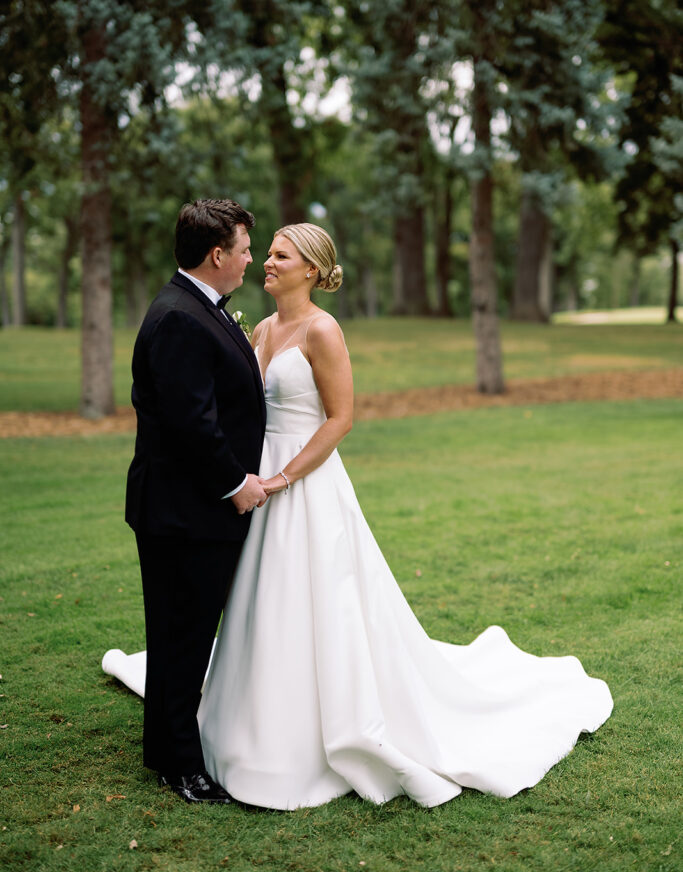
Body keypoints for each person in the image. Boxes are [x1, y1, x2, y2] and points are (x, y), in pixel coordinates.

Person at [106, 222, 613, 809]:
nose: (265, 262)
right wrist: (242, 476)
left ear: (312, 271)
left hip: (298, 482)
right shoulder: (260, 327)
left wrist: (283, 477)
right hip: (248, 486)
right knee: (258, 603)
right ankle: (248, 718)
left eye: (278, 255)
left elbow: (340, 419)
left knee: (317, 600)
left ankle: (314, 728)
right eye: (261, 252)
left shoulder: (323, 331)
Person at [120, 198, 267, 805]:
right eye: (245, 249)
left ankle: (168, 744)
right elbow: (192, 425)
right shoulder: (181, 317)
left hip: (187, 507)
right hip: (186, 512)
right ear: (217, 255)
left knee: (183, 631)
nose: (250, 260)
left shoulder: (199, 307)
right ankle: (181, 765)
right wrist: (238, 487)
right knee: (182, 635)